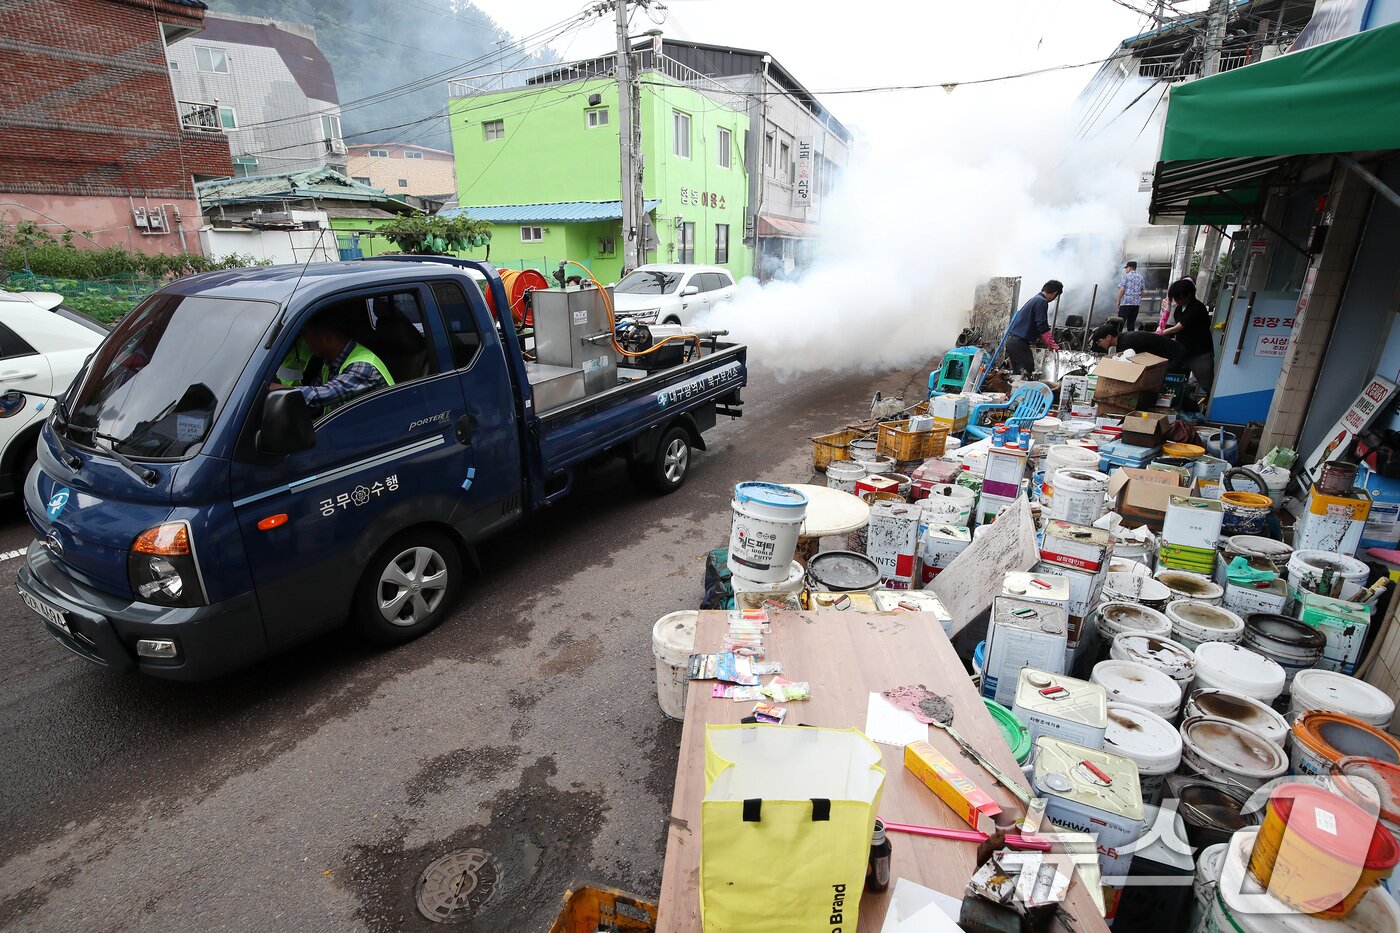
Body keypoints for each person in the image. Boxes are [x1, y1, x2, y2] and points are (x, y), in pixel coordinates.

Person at [277, 317, 394, 412]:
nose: (305, 341)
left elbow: (322, 396)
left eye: (308, 335)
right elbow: (315, 392)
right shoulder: (330, 363)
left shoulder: (363, 367)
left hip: (381, 434)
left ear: (328, 338)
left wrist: (276, 390)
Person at [1160, 278, 1214, 395]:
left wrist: (1161, 333)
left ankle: (1211, 403)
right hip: (1182, 351)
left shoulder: (1197, 308)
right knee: (1174, 379)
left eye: (1178, 297)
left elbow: (1178, 327)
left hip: (1199, 353)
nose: (1176, 300)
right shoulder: (1179, 309)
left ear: (1188, 295)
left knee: (1207, 383)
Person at [1004, 280, 1063, 377]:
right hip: (1019, 343)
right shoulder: (1042, 301)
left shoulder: (1035, 299)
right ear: (1055, 294)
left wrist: (1047, 343)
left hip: (1012, 342)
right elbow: (1042, 326)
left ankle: (1015, 391)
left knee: (1018, 374)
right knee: (1027, 373)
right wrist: (1053, 345)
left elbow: (1037, 326)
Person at [1091, 321, 1186, 372]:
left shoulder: (1125, 344)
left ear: (1108, 337)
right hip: (1170, 355)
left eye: (1099, 341)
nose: (1099, 345)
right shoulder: (1123, 339)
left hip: (1175, 355)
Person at [1115, 261, 1144, 332]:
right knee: (1131, 323)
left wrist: (1118, 300)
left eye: (1126, 268)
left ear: (1130, 268)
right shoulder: (1140, 277)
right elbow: (1142, 291)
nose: (1125, 269)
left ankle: (1118, 340)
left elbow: (1122, 290)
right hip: (1136, 305)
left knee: (1120, 323)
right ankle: (1131, 340)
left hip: (1126, 303)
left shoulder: (1126, 276)